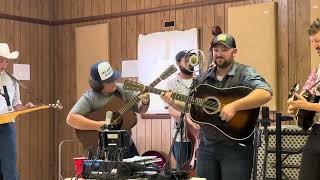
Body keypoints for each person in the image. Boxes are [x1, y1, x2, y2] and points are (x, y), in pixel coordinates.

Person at [160, 33, 272, 180]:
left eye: (224, 50)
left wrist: (235, 106)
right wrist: (172, 102)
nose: (219, 54)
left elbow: (265, 93)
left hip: (236, 147)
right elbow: (192, 108)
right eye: (216, 50)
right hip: (207, 147)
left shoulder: (244, 73)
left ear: (234, 52)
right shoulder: (202, 78)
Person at [66, 61, 150, 158]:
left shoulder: (123, 90)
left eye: (113, 78)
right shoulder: (90, 97)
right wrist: (98, 125)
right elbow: (71, 119)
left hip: (126, 147)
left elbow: (141, 110)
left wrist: (145, 102)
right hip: (101, 151)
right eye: (109, 81)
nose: (114, 81)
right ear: (99, 84)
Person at [287, 17, 320, 180]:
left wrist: (307, 106)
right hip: (316, 133)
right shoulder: (317, 71)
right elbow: (305, 94)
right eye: (313, 42)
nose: (316, 46)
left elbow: (309, 105)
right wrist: (295, 105)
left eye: (319, 40)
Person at [0, 43, 34, 180]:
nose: (3, 65)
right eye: (0, 61)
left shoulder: (13, 79)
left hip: (8, 126)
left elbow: (16, 104)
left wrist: (25, 107)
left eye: (5, 61)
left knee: (9, 168)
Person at [165, 50, 200, 170]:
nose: (190, 63)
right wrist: (187, 118)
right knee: (183, 170)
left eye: (192, 59)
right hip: (181, 135)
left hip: (202, 135)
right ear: (178, 63)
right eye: (186, 60)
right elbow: (170, 108)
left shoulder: (201, 81)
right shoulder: (172, 83)